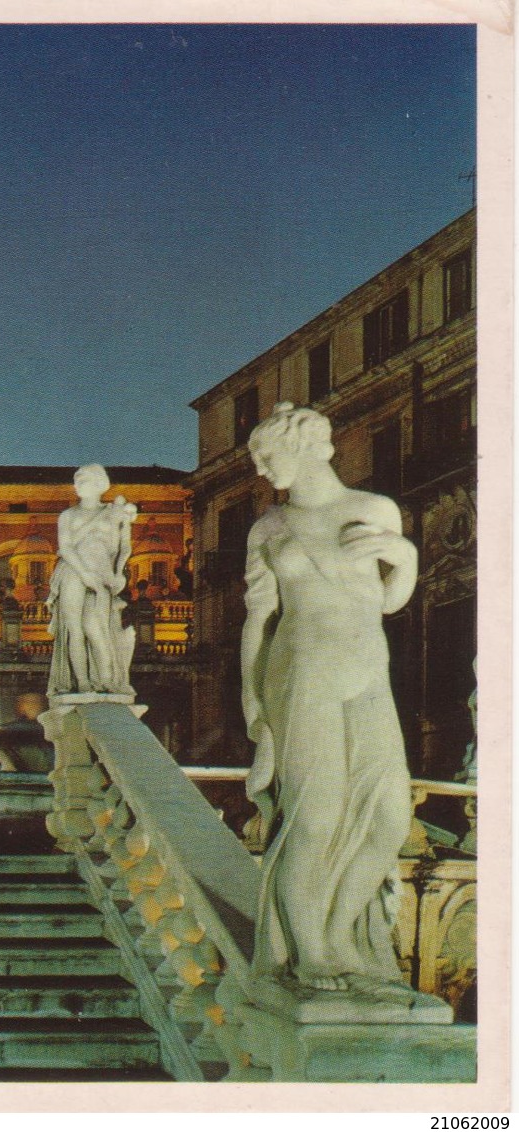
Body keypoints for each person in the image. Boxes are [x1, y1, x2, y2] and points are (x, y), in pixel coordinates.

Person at [240, 402, 418, 994]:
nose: (263, 469)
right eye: (257, 459)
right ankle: (309, 950)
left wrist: (409, 559)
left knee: (390, 818)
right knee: (313, 821)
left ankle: (342, 936)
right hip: (302, 671)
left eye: (269, 454)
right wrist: (255, 710)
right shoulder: (269, 528)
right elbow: (257, 624)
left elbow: (390, 601)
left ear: (312, 446)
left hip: (368, 667)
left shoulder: (374, 510)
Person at [47, 464, 136, 697]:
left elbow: (124, 547)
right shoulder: (68, 515)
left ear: (99, 483)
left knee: (97, 628)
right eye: (76, 480)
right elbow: (65, 547)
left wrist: (120, 574)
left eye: (83, 479)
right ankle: (83, 683)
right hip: (74, 571)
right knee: (75, 629)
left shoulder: (114, 513)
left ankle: (106, 680)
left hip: (102, 572)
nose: (77, 484)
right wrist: (84, 573)